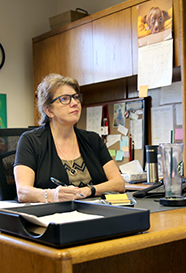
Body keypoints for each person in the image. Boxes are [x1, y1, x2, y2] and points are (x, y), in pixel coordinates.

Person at [14, 74, 125, 203]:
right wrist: (52, 195)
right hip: (53, 217)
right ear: (49, 111)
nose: (74, 103)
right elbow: (23, 192)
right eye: (65, 99)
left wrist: (89, 190)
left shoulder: (92, 140)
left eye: (76, 97)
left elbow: (119, 184)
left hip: (95, 214)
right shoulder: (31, 141)